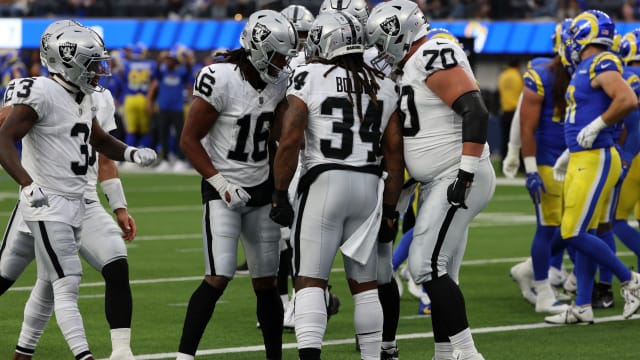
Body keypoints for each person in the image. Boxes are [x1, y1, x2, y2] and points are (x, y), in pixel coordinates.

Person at [0, 23, 156, 360]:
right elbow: (5, 131)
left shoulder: (88, 95)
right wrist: (27, 184)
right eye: (93, 64)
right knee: (17, 277)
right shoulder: (39, 91)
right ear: (68, 62)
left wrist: (129, 157)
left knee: (55, 281)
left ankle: (116, 352)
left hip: (80, 201)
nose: (101, 71)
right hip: (44, 202)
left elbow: (98, 141)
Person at [366, 1, 496, 359]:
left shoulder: (433, 50)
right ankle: (444, 353)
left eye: (382, 40)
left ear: (400, 31)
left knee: (425, 265)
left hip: (456, 174)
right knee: (443, 272)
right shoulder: (413, 60)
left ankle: (468, 355)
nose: (379, 49)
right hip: (439, 178)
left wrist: (465, 172)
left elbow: (475, 109)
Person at [270, 11, 403, 360]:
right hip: (369, 187)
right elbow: (394, 155)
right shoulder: (384, 82)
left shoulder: (311, 74)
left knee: (310, 280)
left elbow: (290, 139)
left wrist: (280, 192)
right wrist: (390, 210)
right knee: (365, 284)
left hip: (324, 181)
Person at [176, 10, 298, 360]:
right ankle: (184, 356)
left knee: (267, 283)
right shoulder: (220, 77)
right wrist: (220, 183)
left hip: (260, 188)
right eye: (276, 55)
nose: (282, 63)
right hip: (222, 189)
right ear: (258, 48)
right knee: (218, 276)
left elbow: (277, 140)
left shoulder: (279, 81)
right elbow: (189, 139)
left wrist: (279, 192)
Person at [544, 10, 640, 325]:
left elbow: (626, 100)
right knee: (580, 231)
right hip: (582, 156)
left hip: (597, 156)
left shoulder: (602, 62)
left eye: (574, 34)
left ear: (585, 33)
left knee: (572, 232)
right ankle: (583, 305)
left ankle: (631, 280)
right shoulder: (586, 67)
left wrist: (598, 125)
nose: (569, 40)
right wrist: (570, 152)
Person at [146, 45, 192, 172]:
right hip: (163, 108)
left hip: (177, 108)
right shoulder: (162, 72)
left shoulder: (181, 72)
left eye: (171, 59)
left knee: (180, 135)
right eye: (168, 60)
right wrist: (160, 60)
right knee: (163, 135)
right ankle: (165, 159)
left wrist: (187, 61)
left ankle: (181, 160)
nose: (168, 61)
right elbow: (154, 75)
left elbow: (188, 72)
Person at [497, 58, 523, 163]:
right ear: (518, 66)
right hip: (516, 112)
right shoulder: (519, 76)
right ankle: (520, 166)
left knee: (505, 139)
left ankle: (504, 161)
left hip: (505, 112)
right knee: (518, 140)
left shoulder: (502, 76)